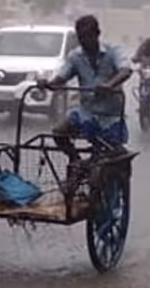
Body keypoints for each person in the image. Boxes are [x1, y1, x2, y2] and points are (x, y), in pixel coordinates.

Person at [38, 15, 133, 188]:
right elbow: (62, 77)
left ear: (97, 34)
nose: (84, 41)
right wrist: (49, 84)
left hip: (109, 115)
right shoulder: (75, 56)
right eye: (81, 37)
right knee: (59, 132)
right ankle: (76, 162)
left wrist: (109, 85)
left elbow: (126, 70)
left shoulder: (113, 51)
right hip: (85, 112)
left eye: (87, 36)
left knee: (106, 152)